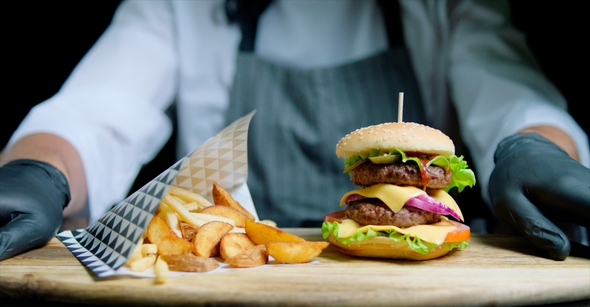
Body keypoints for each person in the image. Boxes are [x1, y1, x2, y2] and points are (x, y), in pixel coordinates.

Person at [1, 0, 588, 262]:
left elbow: (509, 93)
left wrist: (532, 147)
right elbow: (90, 115)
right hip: (232, 301)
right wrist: (36, 173)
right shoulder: (182, 6)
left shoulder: (441, 4)